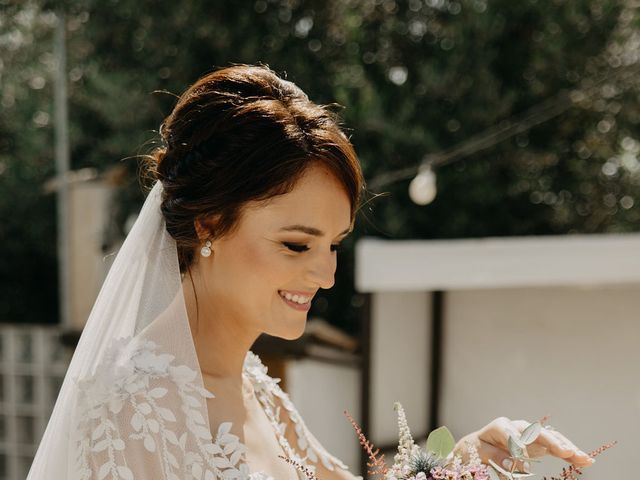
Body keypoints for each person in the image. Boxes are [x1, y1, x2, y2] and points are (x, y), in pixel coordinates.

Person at [27, 64, 594, 480]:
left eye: (335, 244)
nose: (326, 276)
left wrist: (464, 460)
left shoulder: (261, 395)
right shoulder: (131, 409)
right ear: (208, 224)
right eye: (297, 245)